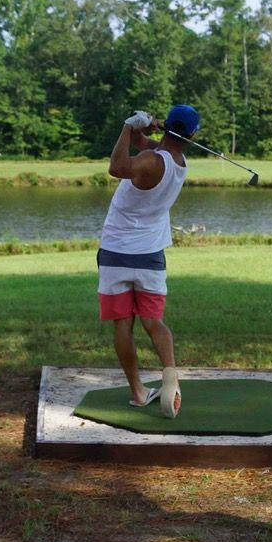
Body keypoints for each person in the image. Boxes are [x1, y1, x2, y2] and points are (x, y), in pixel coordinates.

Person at [98, 104, 200, 419]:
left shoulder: (149, 162)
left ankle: (139, 393)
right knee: (153, 322)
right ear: (192, 135)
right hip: (151, 256)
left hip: (116, 252)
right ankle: (170, 376)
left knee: (123, 323)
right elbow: (150, 148)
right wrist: (147, 129)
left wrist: (128, 127)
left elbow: (117, 167)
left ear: (168, 125)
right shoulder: (179, 162)